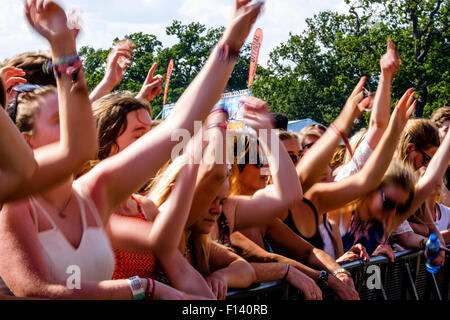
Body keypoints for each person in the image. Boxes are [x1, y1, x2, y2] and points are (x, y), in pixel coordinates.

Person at [0, 0, 263, 299]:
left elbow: (182, 121)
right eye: (60, 120)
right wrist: (143, 288)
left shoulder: (95, 192)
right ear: (24, 141)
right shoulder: (13, 204)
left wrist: (231, 41)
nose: (77, 122)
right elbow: (36, 291)